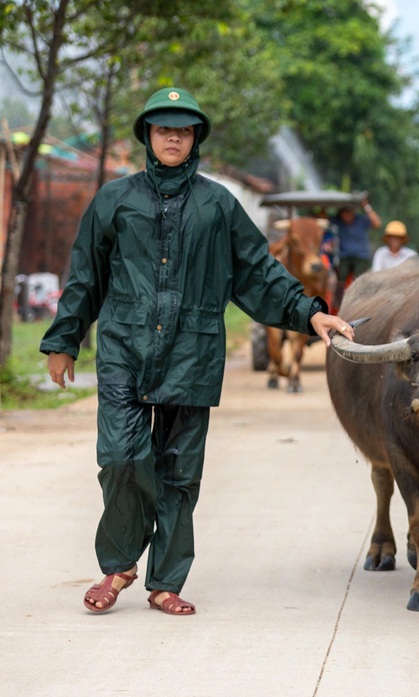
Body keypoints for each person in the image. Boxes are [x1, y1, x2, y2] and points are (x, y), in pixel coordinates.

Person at [40, 87, 353, 617]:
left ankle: (165, 581)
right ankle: (119, 564)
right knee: (122, 458)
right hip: (124, 347)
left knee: (179, 472)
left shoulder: (218, 205)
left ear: (194, 139)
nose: (172, 137)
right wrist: (63, 340)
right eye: (163, 129)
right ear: (148, 136)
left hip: (193, 351)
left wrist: (309, 312)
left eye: (182, 130)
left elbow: (258, 272)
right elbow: (85, 277)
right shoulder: (114, 200)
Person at [332, 198, 381, 309]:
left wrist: (366, 206)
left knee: (360, 279)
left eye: (349, 212)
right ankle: (338, 301)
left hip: (361, 255)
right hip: (344, 255)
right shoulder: (338, 221)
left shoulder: (362, 219)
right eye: (344, 212)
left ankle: (360, 301)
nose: (347, 215)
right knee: (341, 275)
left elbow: (377, 223)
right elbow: (323, 219)